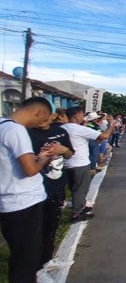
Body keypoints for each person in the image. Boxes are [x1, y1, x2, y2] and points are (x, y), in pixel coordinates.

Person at [0, 97, 55, 283]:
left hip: (9, 202)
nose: (42, 124)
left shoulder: (2, 125)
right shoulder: (16, 130)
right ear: (38, 112)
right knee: (26, 259)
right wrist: (43, 159)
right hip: (24, 202)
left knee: (20, 255)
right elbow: (30, 169)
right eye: (44, 119)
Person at [27, 108, 75, 267]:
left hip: (57, 186)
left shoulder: (60, 131)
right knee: (33, 230)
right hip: (33, 190)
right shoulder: (26, 133)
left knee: (51, 226)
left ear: (52, 115)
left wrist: (63, 150)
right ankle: (33, 265)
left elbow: (70, 153)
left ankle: (46, 261)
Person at [61, 107, 113, 222]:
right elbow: (104, 136)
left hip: (66, 163)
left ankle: (79, 207)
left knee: (74, 188)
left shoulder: (62, 128)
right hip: (80, 163)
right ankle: (76, 213)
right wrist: (111, 125)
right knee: (80, 188)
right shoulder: (78, 129)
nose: (83, 117)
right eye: (81, 115)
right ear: (75, 116)